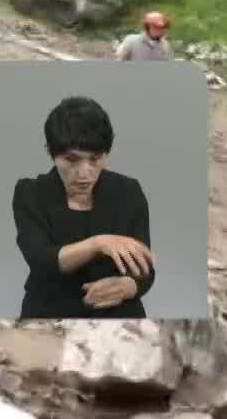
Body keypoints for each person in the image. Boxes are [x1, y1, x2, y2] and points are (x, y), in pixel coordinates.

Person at [12, 95, 155, 319]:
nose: (84, 173)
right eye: (71, 160)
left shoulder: (128, 191)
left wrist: (128, 287)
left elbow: (145, 269)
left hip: (120, 319)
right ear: (51, 152)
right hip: (48, 317)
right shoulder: (30, 192)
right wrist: (98, 244)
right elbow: (40, 260)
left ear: (106, 155)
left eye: (95, 159)